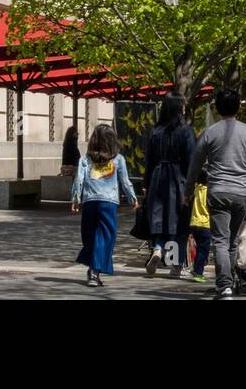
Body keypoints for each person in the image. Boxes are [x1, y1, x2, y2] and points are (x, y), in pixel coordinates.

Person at [184, 89, 246, 300]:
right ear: (239, 108)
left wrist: (187, 192)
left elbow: (194, 167)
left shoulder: (209, 132)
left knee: (220, 241)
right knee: (231, 241)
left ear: (217, 108)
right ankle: (228, 283)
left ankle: (224, 287)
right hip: (242, 192)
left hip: (218, 191)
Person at [71, 123, 138, 285]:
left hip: (89, 202)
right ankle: (94, 272)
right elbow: (125, 181)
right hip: (108, 203)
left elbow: (79, 179)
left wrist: (75, 199)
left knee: (90, 236)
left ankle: (92, 268)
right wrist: (132, 198)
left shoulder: (85, 159)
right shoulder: (118, 159)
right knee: (106, 236)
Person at [143, 93, 196, 278]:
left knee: (158, 217)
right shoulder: (186, 131)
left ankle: (157, 248)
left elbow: (148, 161)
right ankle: (174, 265)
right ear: (178, 108)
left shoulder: (155, 132)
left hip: (157, 177)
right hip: (178, 179)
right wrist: (190, 186)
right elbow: (191, 160)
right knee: (177, 222)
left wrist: (146, 184)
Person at [188, 169, 213, 284]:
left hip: (194, 223)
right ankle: (198, 273)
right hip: (205, 224)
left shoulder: (196, 189)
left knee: (199, 249)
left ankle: (196, 268)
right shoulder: (209, 191)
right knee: (203, 250)